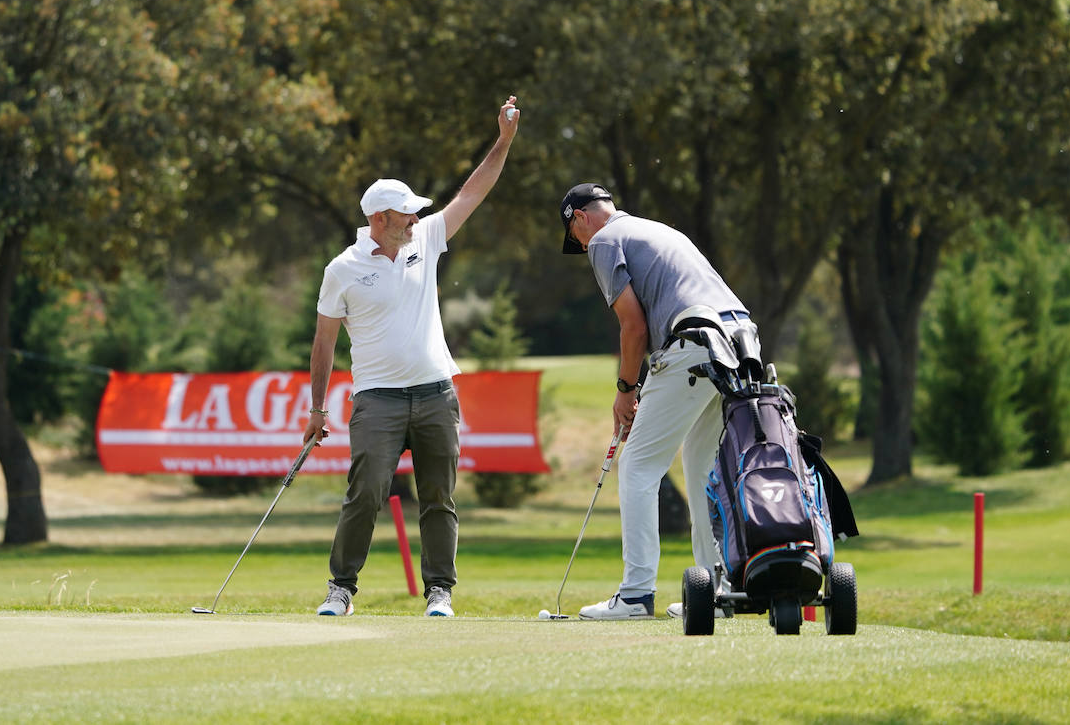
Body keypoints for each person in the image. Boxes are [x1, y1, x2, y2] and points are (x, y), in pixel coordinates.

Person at [304, 96, 521, 618]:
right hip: (376, 400)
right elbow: (324, 342)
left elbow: (473, 191)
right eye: (406, 212)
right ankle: (341, 588)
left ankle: (439, 592)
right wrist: (317, 410)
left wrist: (504, 141)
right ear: (380, 218)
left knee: (438, 498)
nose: (416, 216)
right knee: (365, 494)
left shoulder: (426, 237)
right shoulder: (343, 269)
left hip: (435, 393)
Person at [559, 182, 756, 619]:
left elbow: (634, 327)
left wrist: (626, 391)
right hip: (739, 344)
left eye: (576, 236)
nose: (581, 244)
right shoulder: (657, 230)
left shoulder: (605, 241)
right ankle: (716, 592)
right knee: (702, 466)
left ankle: (634, 596)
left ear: (580, 218)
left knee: (638, 465)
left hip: (695, 341)